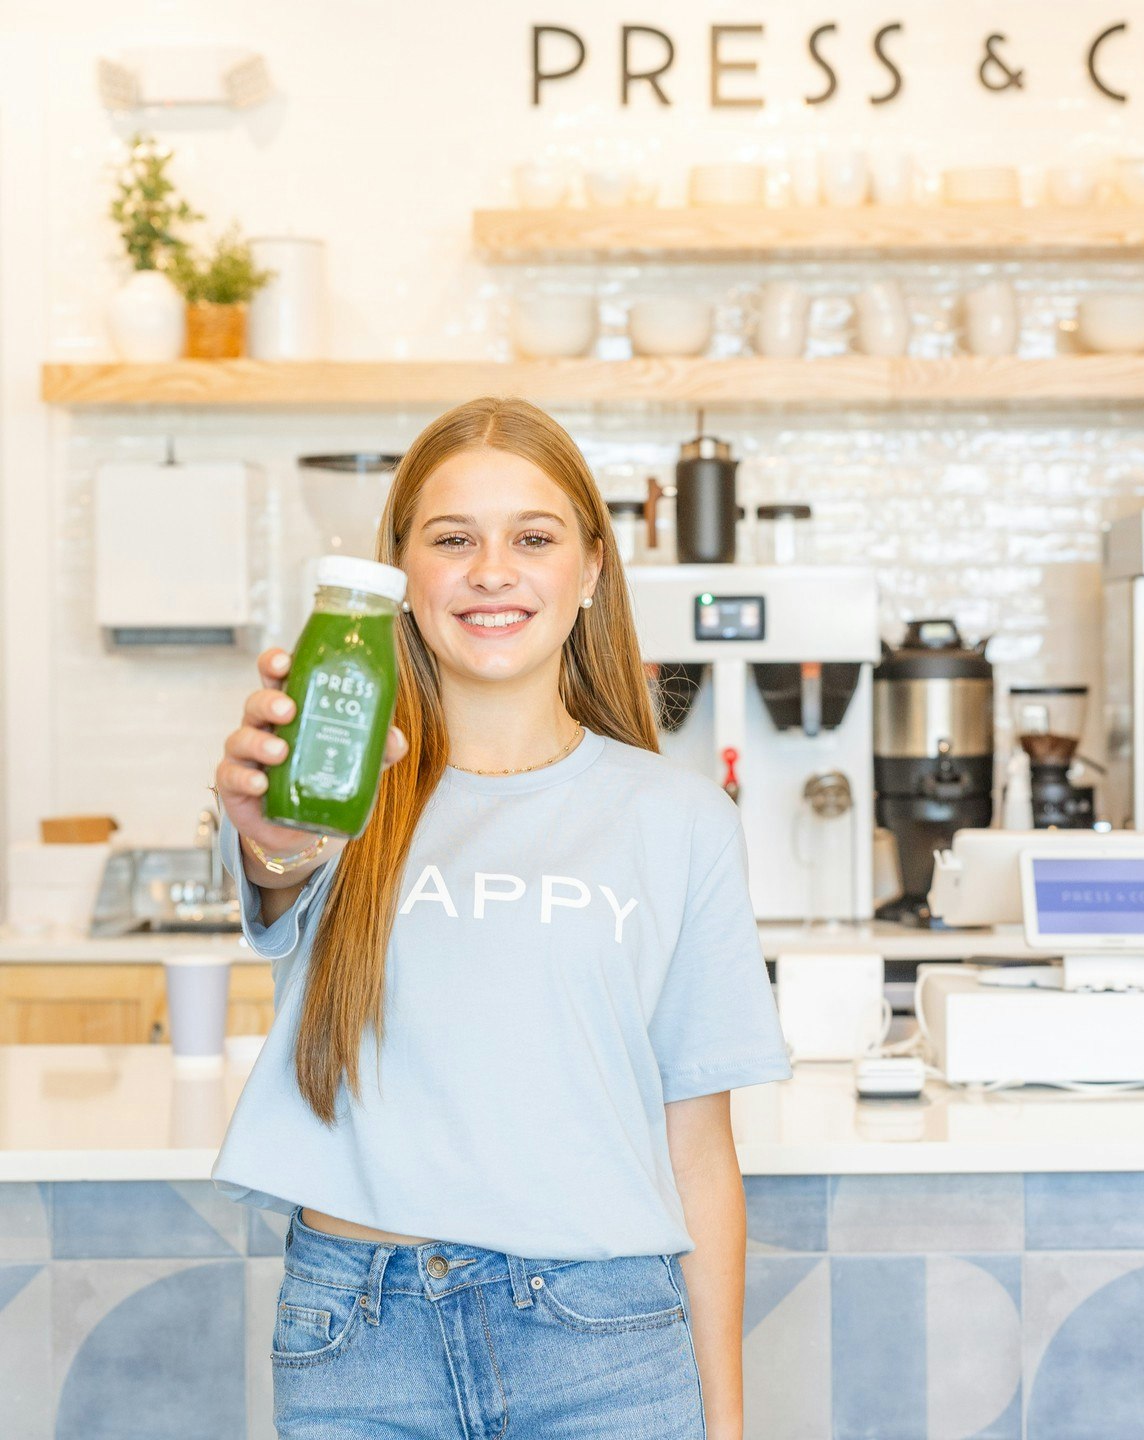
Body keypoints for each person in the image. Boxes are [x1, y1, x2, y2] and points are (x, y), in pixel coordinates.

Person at [211, 396, 793, 1440]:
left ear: (592, 570)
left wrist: (728, 1423)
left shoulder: (684, 822)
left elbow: (698, 1150)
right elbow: (280, 859)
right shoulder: (336, 786)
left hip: (605, 1346)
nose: (491, 570)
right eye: (452, 539)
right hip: (358, 1345)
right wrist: (271, 832)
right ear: (400, 574)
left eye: (533, 537)